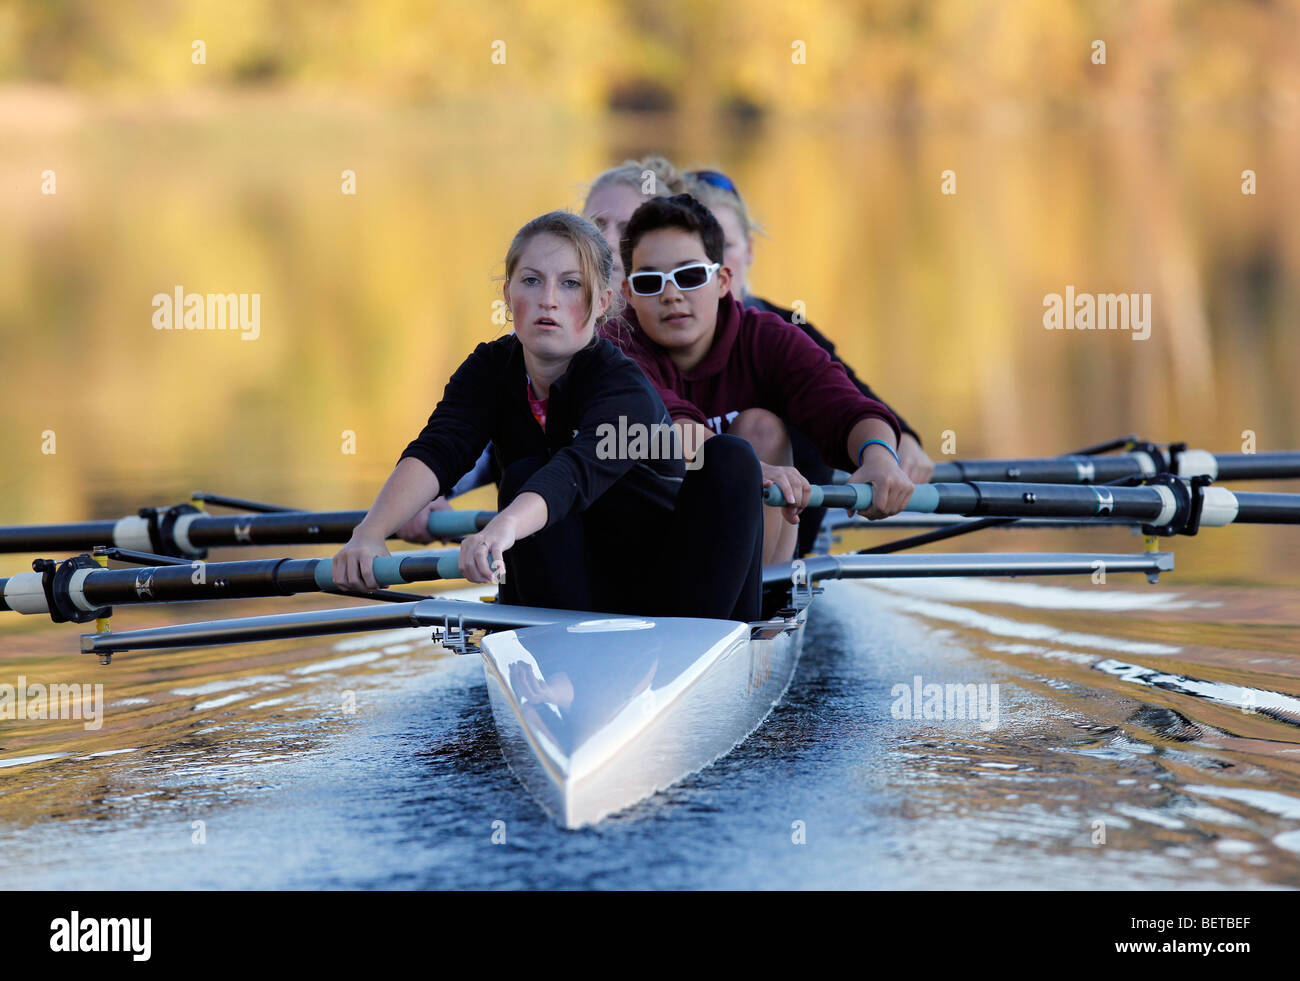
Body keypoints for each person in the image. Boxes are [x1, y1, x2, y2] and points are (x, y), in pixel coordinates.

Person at [333, 211, 763, 621]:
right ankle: (556, 661)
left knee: (731, 457)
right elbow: (440, 448)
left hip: (675, 597)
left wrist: (503, 528)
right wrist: (371, 533)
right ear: (507, 295)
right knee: (525, 473)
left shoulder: (624, 387)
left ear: (603, 303)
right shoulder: (488, 369)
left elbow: (575, 472)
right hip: (565, 598)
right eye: (532, 281)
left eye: (571, 284)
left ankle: (710, 639)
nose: (549, 300)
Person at [604, 193, 914, 565]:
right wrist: (749, 469)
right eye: (651, 283)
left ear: (722, 281)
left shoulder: (767, 337)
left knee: (761, 427)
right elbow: (667, 422)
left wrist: (880, 458)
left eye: (688, 276)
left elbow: (844, 406)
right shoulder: (615, 346)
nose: (671, 295)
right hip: (647, 545)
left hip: (748, 553)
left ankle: (762, 599)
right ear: (629, 294)